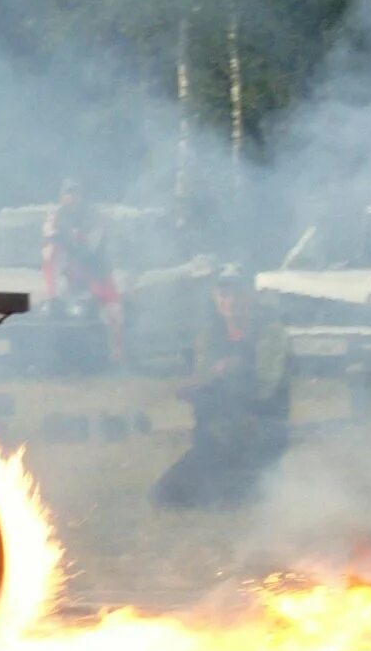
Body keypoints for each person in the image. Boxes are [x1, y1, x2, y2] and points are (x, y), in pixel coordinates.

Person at [151, 265, 291, 510]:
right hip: (218, 435)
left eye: (237, 293)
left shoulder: (271, 333)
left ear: (252, 296)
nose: (231, 301)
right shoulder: (210, 334)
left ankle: (256, 482)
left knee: (236, 498)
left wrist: (236, 371)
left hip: (259, 432)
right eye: (224, 294)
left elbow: (265, 389)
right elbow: (204, 379)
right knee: (164, 496)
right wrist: (194, 390)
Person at [41, 176, 124, 365]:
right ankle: (53, 299)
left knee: (114, 311)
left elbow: (91, 247)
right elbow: (50, 242)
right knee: (52, 253)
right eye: (67, 193)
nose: (71, 197)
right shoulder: (55, 216)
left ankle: (117, 356)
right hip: (70, 272)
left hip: (95, 270)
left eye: (75, 193)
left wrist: (75, 237)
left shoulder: (95, 216)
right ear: (61, 196)